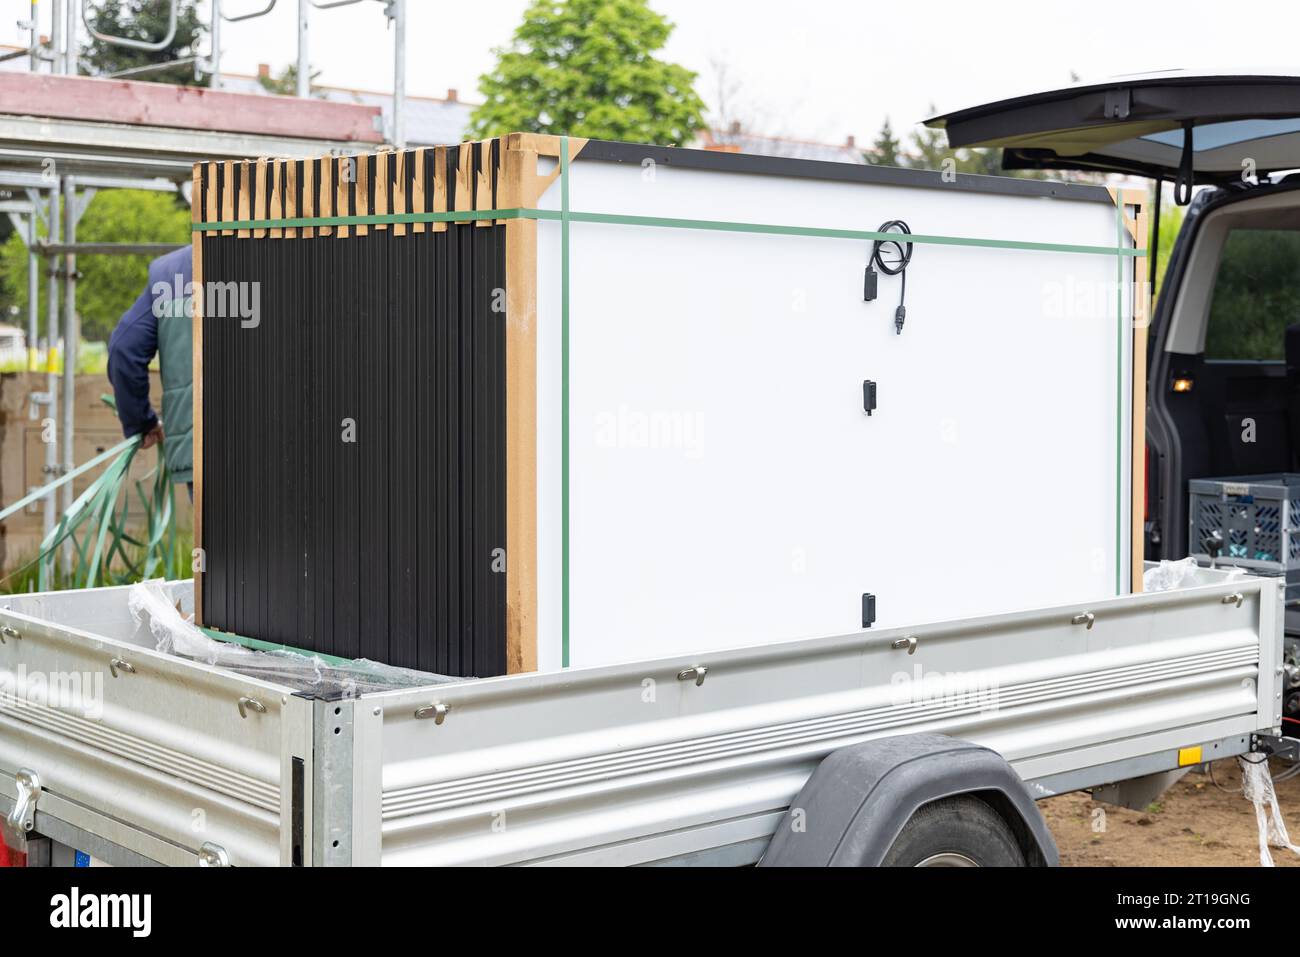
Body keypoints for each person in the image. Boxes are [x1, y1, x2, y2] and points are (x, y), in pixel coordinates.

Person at [107, 246, 194, 496]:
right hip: (304, 447)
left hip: (205, 450)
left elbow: (124, 350)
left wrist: (141, 422)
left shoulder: (174, 272)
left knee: (224, 534)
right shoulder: (310, 244)